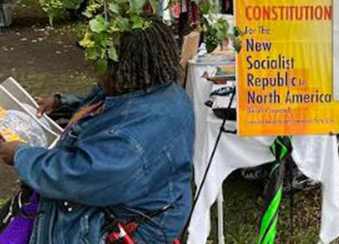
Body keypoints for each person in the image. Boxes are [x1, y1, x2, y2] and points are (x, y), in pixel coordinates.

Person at [0, 20, 194, 244]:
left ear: (123, 69)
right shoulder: (156, 89)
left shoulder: (130, 138)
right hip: (131, 205)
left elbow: (78, 176)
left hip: (116, 228)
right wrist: (63, 103)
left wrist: (21, 156)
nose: (95, 74)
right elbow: (104, 104)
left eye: (100, 67)